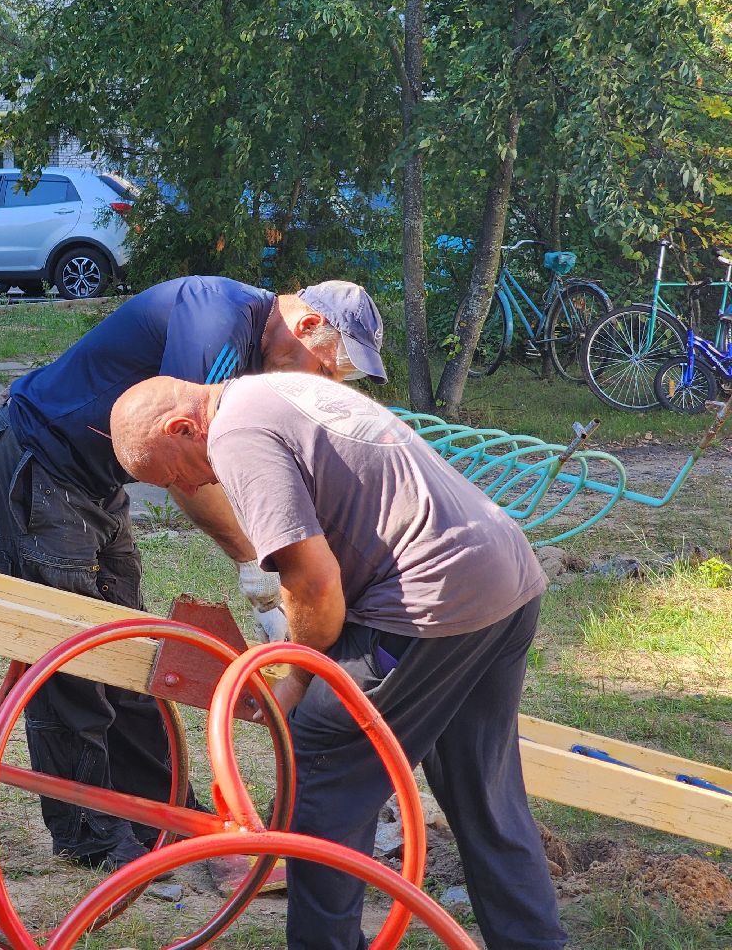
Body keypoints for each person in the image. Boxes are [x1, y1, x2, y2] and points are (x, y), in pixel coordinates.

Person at [109, 372, 567, 950]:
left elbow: (314, 582)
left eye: (175, 475)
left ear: (182, 428)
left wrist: (299, 675)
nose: (193, 485)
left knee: (323, 764)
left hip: (431, 600)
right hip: (505, 577)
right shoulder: (272, 389)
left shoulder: (236, 435)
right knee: (485, 790)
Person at [0, 275, 387, 875]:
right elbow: (189, 467)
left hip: (95, 482)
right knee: (71, 654)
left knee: (130, 652)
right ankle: (89, 834)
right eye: (325, 371)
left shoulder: (259, 350)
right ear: (303, 327)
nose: (316, 387)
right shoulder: (215, 321)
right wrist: (256, 563)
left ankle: (159, 813)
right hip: (40, 461)